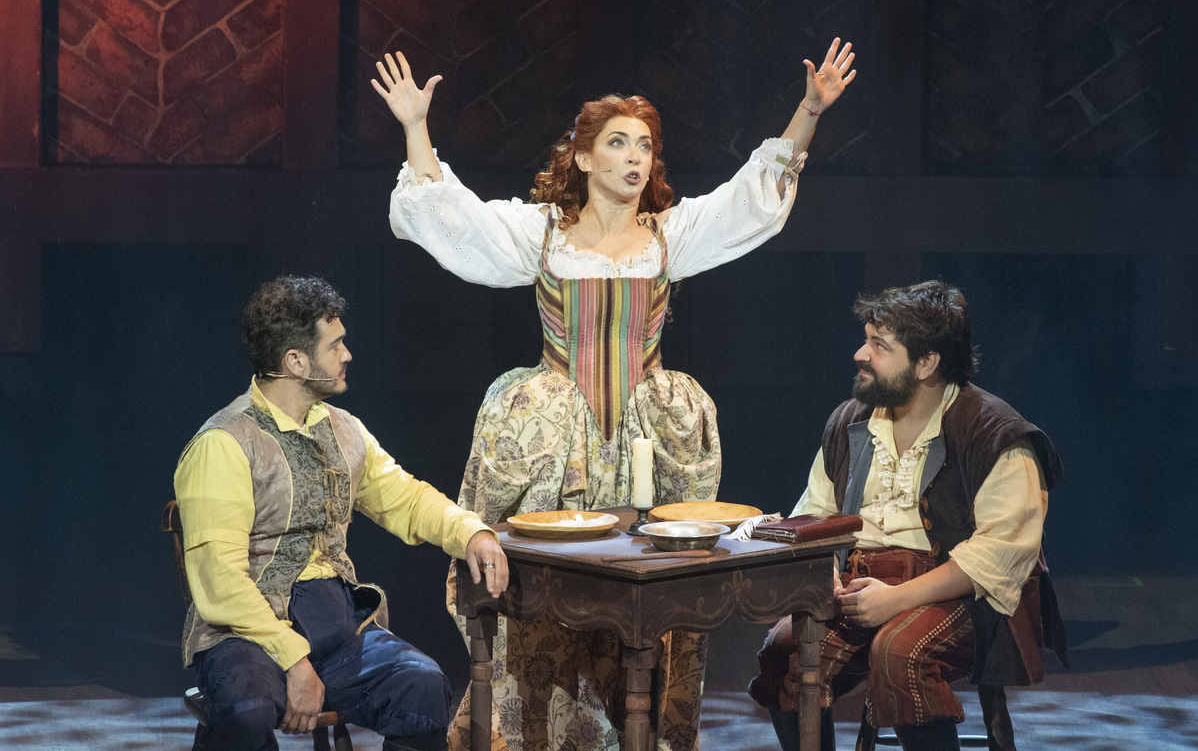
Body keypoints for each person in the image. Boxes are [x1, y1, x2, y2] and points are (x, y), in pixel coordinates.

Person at [373, 39, 857, 751]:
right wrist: (417, 127)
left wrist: (809, 110)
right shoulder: (542, 235)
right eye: (619, 143)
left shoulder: (667, 237)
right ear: (582, 157)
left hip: (647, 443)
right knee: (543, 601)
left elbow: (747, 201)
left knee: (651, 607)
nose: (636, 159)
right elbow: (453, 219)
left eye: (646, 147)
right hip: (553, 447)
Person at [174, 275, 509, 751]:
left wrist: (472, 532)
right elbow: (220, 582)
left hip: (333, 627)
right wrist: (294, 661)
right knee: (246, 711)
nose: (347, 354)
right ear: (295, 361)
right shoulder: (225, 444)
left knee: (422, 684)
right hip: (246, 635)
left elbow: (406, 498)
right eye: (335, 345)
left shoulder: (344, 430)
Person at [748, 281, 1068, 751]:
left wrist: (897, 599)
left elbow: (999, 553)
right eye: (866, 340)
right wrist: (822, 572)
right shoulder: (851, 422)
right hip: (858, 586)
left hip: (958, 595)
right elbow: (814, 514)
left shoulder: (994, 434)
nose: (860, 354)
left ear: (926, 363)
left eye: (879, 345)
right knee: (785, 650)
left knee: (899, 652)